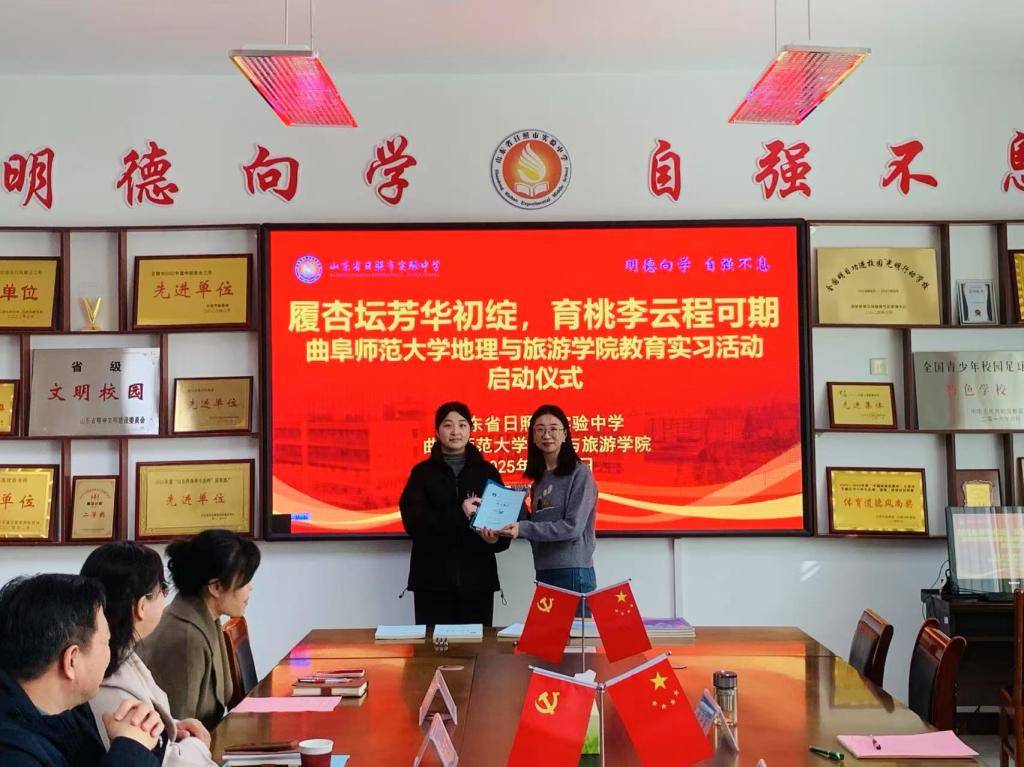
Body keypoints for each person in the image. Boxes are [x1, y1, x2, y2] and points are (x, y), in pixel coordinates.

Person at [0, 573, 163, 767]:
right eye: (106, 641)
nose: (110, 651)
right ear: (72, 660)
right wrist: (131, 750)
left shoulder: (65, 709)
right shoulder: (12, 753)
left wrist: (146, 737)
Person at [82, 542, 216, 767]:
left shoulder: (118, 654)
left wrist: (171, 727)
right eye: (162, 589)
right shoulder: (110, 683)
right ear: (141, 605)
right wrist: (197, 745)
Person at [399, 401, 513, 626]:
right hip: (432, 583)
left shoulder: (487, 472)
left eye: (462, 425)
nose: (455, 431)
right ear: (436, 431)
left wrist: (495, 540)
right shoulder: (422, 473)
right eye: (448, 425)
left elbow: (502, 522)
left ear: (470, 429)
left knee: (477, 647)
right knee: (433, 647)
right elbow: (414, 524)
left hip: (478, 582)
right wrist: (459, 513)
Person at [137, 530, 260, 731]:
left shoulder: (205, 616)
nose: (251, 587)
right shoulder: (186, 639)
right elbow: (178, 730)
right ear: (216, 587)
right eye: (245, 581)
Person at [499, 404, 598, 606]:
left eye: (553, 428)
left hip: (572, 571)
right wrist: (516, 502)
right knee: (549, 628)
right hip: (544, 570)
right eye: (540, 429)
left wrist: (522, 528)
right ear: (533, 437)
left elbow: (572, 527)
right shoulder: (540, 479)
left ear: (565, 434)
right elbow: (535, 527)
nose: (547, 435)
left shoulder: (580, 474)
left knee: (574, 628)